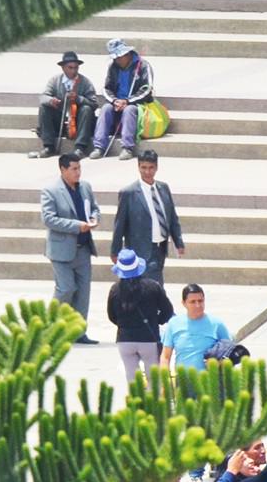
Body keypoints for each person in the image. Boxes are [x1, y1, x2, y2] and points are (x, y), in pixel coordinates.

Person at [41, 152, 102, 345]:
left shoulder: (85, 187)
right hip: (62, 250)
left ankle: (78, 331)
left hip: (83, 248)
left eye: (79, 168)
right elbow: (49, 219)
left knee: (83, 292)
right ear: (63, 169)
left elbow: (94, 208)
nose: (78, 173)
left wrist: (94, 218)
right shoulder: (50, 191)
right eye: (74, 169)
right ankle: (50, 328)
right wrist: (77, 226)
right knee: (66, 288)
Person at [108, 149, 185, 283]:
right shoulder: (129, 193)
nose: (147, 172)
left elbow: (172, 217)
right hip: (140, 249)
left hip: (160, 248)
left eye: (151, 168)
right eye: (143, 168)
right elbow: (119, 224)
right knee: (153, 286)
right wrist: (115, 251)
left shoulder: (163, 188)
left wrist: (178, 242)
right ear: (138, 167)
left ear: (156, 167)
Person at [106, 249, 173, 382]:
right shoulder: (153, 287)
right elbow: (168, 311)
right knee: (153, 379)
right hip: (148, 338)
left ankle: (135, 402)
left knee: (132, 378)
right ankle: (152, 402)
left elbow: (112, 316)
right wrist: (156, 321)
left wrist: (124, 324)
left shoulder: (115, 289)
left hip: (125, 339)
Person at [33, 50, 100, 160]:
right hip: (61, 118)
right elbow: (43, 97)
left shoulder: (85, 82)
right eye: (70, 67)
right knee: (44, 108)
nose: (73, 71)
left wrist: (79, 98)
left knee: (87, 109)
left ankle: (80, 147)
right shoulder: (55, 80)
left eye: (76, 68)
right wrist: (51, 100)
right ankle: (49, 146)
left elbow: (94, 103)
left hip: (78, 120)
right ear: (63, 68)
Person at [158, 283, 234, 371]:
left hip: (209, 379)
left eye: (200, 301)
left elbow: (229, 352)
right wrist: (164, 379)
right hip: (183, 379)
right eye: (193, 302)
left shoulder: (216, 324)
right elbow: (165, 356)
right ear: (184, 303)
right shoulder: (174, 324)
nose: (198, 305)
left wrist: (218, 363)